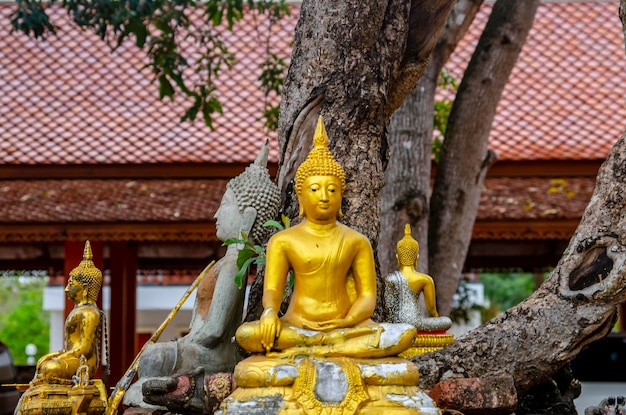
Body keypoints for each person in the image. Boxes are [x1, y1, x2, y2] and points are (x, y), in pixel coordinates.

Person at [235, 117, 415, 359]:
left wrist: (347, 321)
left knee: (405, 334)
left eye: (332, 190)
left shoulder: (356, 241)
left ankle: (317, 347)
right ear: (300, 197)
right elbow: (273, 290)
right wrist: (269, 313)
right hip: (297, 325)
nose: (324, 196)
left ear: (341, 196)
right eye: (315, 189)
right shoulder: (283, 240)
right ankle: (325, 346)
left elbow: (367, 297)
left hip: (346, 328)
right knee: (247, 334)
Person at [126, 141, 281, 411]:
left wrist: (181, 344)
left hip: (214, 353)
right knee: (152, 356)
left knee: (153, 356)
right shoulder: (224, 262)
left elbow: (215, 330)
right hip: (200, 347)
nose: (216, 214)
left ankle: (168, 389)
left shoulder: (234, 263)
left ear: (247, 218)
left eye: (225, 206)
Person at [34, 241, 103, 383]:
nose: (66, 289)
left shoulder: (90, 313)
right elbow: (70, 347)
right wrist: (55, 354)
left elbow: (85, 348)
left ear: (84, 288)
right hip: (72, 357)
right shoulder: (79, 311)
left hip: (84, 364)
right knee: (43, 364)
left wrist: (59, 358)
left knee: (50, 368)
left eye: (71, 284)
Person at [385, 224, 451, 332]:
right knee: (447, 321)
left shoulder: (389, 279)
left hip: (395, 325)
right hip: (416, 323)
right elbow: (431, 309)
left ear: (398, 257)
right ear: (417, 257)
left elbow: (389, 310)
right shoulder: (424, 279)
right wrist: (436, 320)